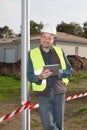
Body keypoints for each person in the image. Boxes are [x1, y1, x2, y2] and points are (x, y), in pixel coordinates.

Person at [27, 23, 72, 130]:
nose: (46, 40)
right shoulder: (32, 54)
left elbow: (69, 71)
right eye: (44, 37)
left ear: (53, 39)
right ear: (40, 37)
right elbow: (29, 75)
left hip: (59, 92)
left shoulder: (59, 51)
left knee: (59, 125)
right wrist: (39, 77)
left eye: (49, 38)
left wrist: (59, 72)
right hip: (44, 94)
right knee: (48, 125)